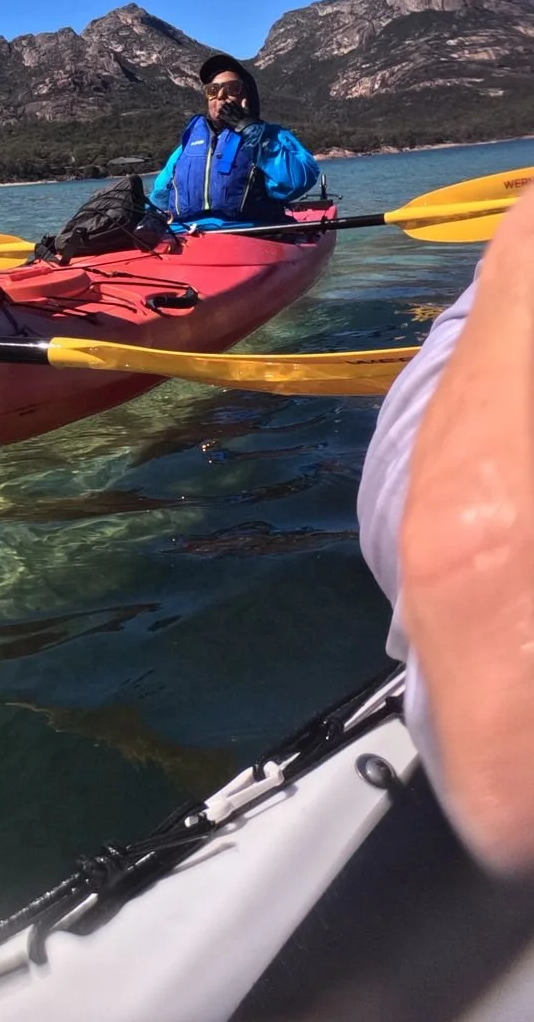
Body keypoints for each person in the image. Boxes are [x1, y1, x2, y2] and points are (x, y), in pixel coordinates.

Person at [359, 192, 534, 874]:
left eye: (235, 87)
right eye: (217, 89)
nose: (226, 98)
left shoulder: (271, 146)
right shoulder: (192, 147)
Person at [150, 52, 320, 227]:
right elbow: (159, 198)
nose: (221, 95)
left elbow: (298, 181)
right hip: (188, 237)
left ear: (248, 97)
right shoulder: (186, 148)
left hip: (251, 234)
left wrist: (250, 130)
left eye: (232, 88)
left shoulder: (272, 136)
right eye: (212, 90)